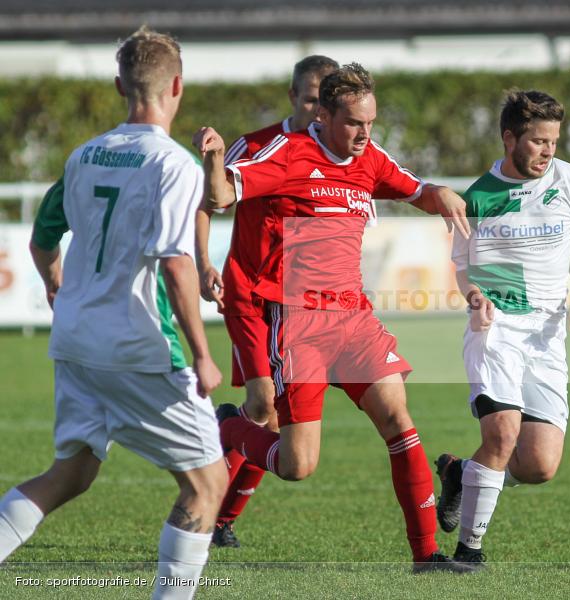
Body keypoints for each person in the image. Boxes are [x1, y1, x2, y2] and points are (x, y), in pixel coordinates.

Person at [192, 62, 474, 572]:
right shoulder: (289, 154)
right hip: (298, 322)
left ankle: (426, 555)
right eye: (354, 124)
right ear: (323, 115)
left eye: (370, 123)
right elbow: (220, 195)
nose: (365, 135)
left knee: (398, 417)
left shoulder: (369, 158)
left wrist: (443, 195)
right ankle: (232, 427)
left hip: (354, 319)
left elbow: (415, 189)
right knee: (298, 464)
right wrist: (213, 159)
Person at [0, 27, 227, 599]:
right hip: (140, 349)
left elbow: (44, 235)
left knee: (69, 475)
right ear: (177, 85)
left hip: (77, 342)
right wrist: (202, 355)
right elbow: (176, 265)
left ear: (119, 85)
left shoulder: (83, 157)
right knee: (206, 486)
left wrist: (56, 285)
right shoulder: (173, 165)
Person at [435, 89, 570, 565]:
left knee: (538, 465)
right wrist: (475, 298)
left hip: (547, 336)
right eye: (537, 141)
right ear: (509, 138)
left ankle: (460, 474)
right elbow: (462, 266)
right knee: (503, 435)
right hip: (496, 331)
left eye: (553, 140)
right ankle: (468, 552)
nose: (548, 151)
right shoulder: (479, 197)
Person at [195, 54, 339, 548]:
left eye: (326, 103)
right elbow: (208, 200)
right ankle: (228, 432)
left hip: (293, 303)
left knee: (272, 418)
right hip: (248, 294)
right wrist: (203, 263)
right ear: (292, 96)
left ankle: (221, 518)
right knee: (262, 403)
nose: (317, 112)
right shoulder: (257, 145)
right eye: (309, 100)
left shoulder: (333, 154)